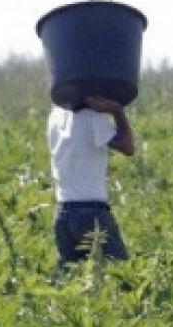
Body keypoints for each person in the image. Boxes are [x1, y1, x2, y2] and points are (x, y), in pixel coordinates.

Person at [48, 95, 135, 264]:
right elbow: (128, 146)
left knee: (72, 281)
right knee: (122, 275)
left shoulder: (55, 116)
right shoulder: (91, 117)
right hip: (91, 214)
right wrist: (117, 111)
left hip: (63, 216)